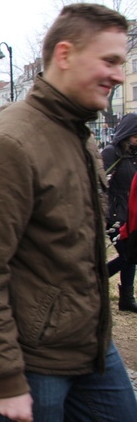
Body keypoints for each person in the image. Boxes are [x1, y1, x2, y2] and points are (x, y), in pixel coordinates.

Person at [0, 3, 137, 422]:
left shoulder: (80, 133)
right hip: (34, 360)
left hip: (92, 343)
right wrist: (4, 377)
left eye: (121, 63)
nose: (117, 74)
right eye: (108, 61)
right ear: (65, 55)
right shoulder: (12, 141)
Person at [101, 113, 137, 312]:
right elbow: (99, 182)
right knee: (127, 255)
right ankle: (95, 282)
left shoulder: (134, 156)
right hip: (113, 215)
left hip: (131, 216)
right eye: (135, 135)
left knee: (131, 255)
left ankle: (126, 298)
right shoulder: (111, 152)